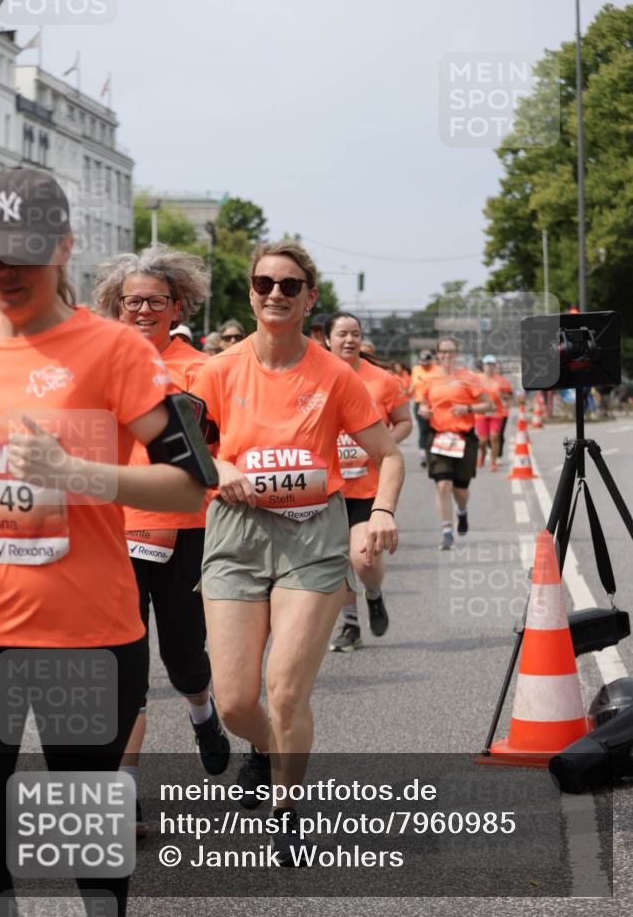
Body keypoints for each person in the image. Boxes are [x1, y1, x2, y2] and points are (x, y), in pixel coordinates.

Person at [0, 168, 206, 916]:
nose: (6, 271)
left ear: (66, 248)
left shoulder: (114, 351)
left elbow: (190, 485)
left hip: (86, 633)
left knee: (85, 852)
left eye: (26, 253)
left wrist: (75, 471)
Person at [190, 240, 404, 863]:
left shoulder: (335, 374)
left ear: (310, 296)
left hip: (313, 533)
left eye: (290, 286)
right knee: (233, 702)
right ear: (250, 293)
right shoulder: (219, 370)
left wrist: (382, 511)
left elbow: (387, 455)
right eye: (264, 284)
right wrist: (222, 463)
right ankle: (263, 748)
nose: (275, 294)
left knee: (284, 691)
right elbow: (189, 450)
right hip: (235, 533)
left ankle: (288, 808)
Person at [93, 247, 230, 836]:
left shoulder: (205, 370)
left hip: (186, 531)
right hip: (110, 533)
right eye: (132, 300)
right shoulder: (95, 364)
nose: (143, 309)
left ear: (178, 305)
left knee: (183, 656)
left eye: (154, 300)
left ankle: (202, 711)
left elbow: (228, 444)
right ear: (115, 306)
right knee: (123, 667)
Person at [325, 313, 412, 653]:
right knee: (339, 561)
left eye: (355, 334)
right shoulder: (314, 376)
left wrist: (383, 444)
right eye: (342, 334)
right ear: (328, 339)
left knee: (364, 559)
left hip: (367, 488)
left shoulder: (383, 380)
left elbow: (404, 421)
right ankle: (350, 625)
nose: (349, 340)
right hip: (326, 488)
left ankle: (373, 594)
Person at [418, 337, 492, 550]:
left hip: (464, 438)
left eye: (451, 352)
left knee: (460, 490)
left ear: (456, 354)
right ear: (437, 354)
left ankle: (462, 510)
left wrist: (467, 409)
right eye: (443, 352)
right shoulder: (429, 379)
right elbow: (423, 405)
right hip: (439, 437)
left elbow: (487, 405)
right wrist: (424, 411)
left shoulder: (470, 378)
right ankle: (446, 531)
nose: (446, 356)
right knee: (443, 485)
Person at [476, 354, 512, 471]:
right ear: (483, 366)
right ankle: (483, 454)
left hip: (497, 412)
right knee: (482, 440)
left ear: (495, 366)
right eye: (487, 365)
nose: (489, 367)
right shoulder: (477, 379)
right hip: (481, 412)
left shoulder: (502, 381)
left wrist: (502, 395)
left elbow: (509, 396)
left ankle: (493, 461)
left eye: (492, 365)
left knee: (494, 437)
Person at [410, 350, 440, 467]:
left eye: (427, 362)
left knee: (434, 429)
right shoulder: (416, 369)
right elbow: (413, 385)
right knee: (423, 430)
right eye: (422, 362)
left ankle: (434, 453)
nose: (424, 365)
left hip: (435, 403)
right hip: (419, 403)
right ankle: (423, 454)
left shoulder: (437, 370)